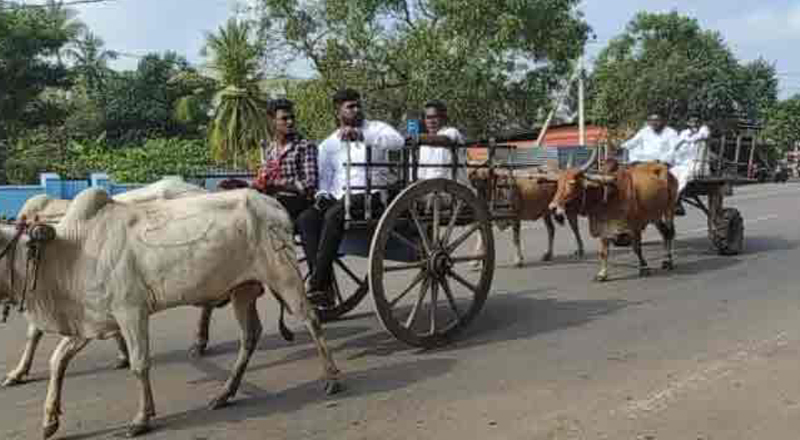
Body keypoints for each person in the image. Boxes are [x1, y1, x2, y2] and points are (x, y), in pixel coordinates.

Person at [296, 88, 405, 308]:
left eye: (358, 105)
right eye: (350, 107)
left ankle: (316, 283)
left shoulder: (376, 128)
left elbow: (398, 142)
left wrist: (362, 136)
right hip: (340, 197)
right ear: (339, 112)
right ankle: (324, 287)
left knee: (335, 215)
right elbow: (324, 179)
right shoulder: (328, 144)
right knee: (307, 218)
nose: (356, 110)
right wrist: (322, 195)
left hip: (372, 195)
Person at [250, 98, 318, 219]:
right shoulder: (270, 149)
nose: (290, 122)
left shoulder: (304, 146)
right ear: (272, 121)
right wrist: (259, 182)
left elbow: (310, 185)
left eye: (292, 118)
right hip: (272, 200)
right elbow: (265, 178)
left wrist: (279, 185)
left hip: (296, 202)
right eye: (284, 119)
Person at [412, 100, 467, 183]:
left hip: (453, 190)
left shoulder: (451, 132)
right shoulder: (423, 145)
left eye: (435, 117)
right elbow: (421, 175)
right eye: (428, 117)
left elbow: (445, 140)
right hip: (428, 190)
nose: (431, 121)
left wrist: (417, 138)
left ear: (444, 118)